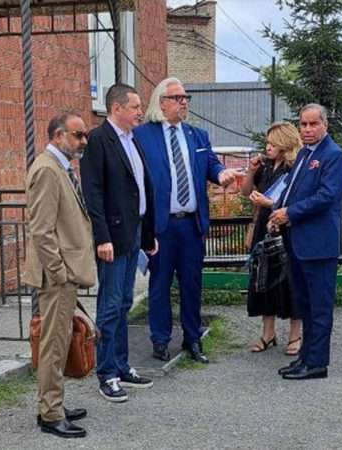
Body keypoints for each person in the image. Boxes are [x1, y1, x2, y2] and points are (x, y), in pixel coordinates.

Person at [134, 77, 241, 364]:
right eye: (178, 98)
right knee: (159, 285)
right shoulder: (142, 136)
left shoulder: (197, 135)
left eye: (186, 98)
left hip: (191, 225)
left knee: (192, 284)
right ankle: (160, 340)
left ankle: (192, 338)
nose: (184, 102)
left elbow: (211, 164)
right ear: (162, 102)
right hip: (161, 225)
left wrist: (220, 174)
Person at [80, 84, 158, 403]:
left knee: (125, 302)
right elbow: (93, 192)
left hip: (133, 231)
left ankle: (122, 366)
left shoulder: (131, 139)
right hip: (112, 236)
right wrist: (102, 237)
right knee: (110, 306)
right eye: (135, 107)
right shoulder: (99, 140)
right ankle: (106, 373)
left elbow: (141, 188)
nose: (140, 112)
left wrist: (148, 236)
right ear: (116, 109)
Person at [23, 111, 95, 438]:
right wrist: (59, 272)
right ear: (57, 136)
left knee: (60, 341)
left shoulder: (59, 167)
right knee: (53, 344)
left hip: (62, 272)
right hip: (56, 277)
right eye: (77, 135)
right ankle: (50, 414)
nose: (83, 141)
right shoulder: (47, 170)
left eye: (84, 135)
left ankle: (54, 405)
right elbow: (42, 230)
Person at [268, 104, 342, 380]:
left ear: (325, 124)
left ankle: (317, 364)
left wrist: (289, 213)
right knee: (305, 304)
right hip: (297, 241)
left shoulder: (333, 155)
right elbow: (291, 190)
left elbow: (327, 196)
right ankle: (304, 357)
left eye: (314, 124)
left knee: (319, 307)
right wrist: (277, 214)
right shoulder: (304, 153)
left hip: (319, 245)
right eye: (303, 124)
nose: (308, 129)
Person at [240, 122, 302, 355]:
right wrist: (251, 171)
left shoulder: (294, 168)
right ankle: (268, 333)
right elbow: (245, 191)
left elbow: (296, 201)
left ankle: (295, 335)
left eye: (272, 143)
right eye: (267, 143)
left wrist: (269, 203)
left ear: (285, 144)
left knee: (290, 282)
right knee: (263, 280)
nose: (267, 147)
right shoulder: (265, 166)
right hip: (263, 229)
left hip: (286, 228)